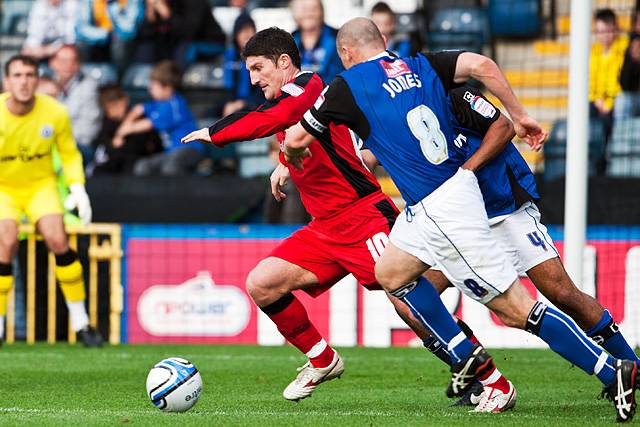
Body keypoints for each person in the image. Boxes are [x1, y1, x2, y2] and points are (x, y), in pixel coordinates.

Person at [284, 18, 638, 421]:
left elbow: (297, 139)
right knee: (392, 274)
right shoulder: (425, 68)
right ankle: (472, 362)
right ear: (384, 42)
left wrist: (289, 159)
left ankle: (615, 369)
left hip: (471, 203)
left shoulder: (357, 86)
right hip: (431, 207)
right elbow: (480, 66)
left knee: (521, 306)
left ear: (345, 54)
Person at [181, 27, 510, 407]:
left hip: (364, 215)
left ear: (284, 62)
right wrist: (285, 164)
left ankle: (488, 379)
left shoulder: (308, 86)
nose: (253, 79)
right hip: (324, 228)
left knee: (410, 303)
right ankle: (322, 359)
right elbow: (303, 136)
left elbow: (274, 118)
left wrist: (214, 132)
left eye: (258, 68)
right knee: (262, 283)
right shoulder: (293, 97)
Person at [365, 83, 640, 407]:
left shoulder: (456, 97)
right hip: (456, 222)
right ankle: (483, 381)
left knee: (561, 293)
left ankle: (629, 366)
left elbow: (500, 127)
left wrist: (468, 170)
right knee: (409, 299)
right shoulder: (402, 112)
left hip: (503, 210)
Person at [0, 55, 103, 347]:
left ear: (37, 79)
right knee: (5, 243)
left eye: (30, 75)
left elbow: (69, 155)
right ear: (7, 81)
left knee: (58, 239)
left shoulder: (54, 112)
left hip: (39, 185)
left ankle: (81, 323)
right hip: (4, 187)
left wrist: (77, 189)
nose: (24, 81)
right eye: (17, 75)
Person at [115, 60, 204, 176]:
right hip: (171, 152)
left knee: (171, 167)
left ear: (167, 88)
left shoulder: (173, 104)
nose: (150, 90)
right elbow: (138, 109)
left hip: (190, 149)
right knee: (143, 166)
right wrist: (123, 129)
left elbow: (147, 124)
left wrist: (122, 132)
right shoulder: (159, 103)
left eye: (153, 87)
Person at [89, 84, 163, 175]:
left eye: (116, 105)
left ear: (124, 100)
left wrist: (126, 131)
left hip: (136, 166)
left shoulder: (139, 119)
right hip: (112, 169)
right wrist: (115, 142)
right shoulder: (106, 125)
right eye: (109, 108)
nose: (113, 110)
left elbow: (152, 146)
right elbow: (104, 148)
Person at [49, 45, 102, 165]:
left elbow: (87, 132)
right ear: (52, 63)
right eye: (63, 61)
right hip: (48, 143)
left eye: (72, 60)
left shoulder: (89, 86)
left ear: (78, 64)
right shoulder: (44, 85)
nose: (68, 65)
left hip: (78, 145)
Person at [589, 9, 628, 138]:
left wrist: (608, 104)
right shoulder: (594, 51)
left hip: (616, 101)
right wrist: (596, 99)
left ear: (614, 28)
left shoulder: (623, 48)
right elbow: (590, 81)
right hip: (597, 102)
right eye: (599, 31)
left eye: (606, 30)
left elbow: (622, 81)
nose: (603, 35)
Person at [75, 0, 144, 73]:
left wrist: (113, 6)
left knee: (119, 43)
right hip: (99, 36)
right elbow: (81, 28)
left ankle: (119, 79)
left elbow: (129, 29)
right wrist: (106, 34)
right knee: (81, 42)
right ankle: (83, 76)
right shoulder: (88, 1)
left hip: (122, 40)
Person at [290, 0, 344, 83]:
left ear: (322, 11)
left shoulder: (339, 37)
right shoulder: (288, 41)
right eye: (304, 9)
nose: (308, 13)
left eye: (313, 8)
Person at [222, 13, 261, 117]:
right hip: (234, 103)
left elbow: (262, 90)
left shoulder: (262, 57)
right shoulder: (231, 55)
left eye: (249, 30)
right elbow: (228, 86)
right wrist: (230, 103)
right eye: (242, 31)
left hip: (256, 104)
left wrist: (243, 103)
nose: (246, 35)